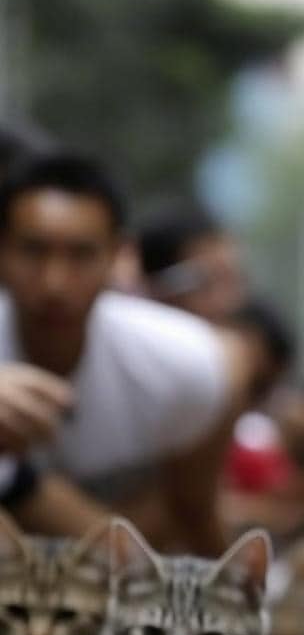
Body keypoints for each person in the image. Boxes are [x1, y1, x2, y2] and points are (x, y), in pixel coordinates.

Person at [0, 152, 251, 553]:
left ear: (119, 255)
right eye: (33, 250)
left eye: (81, 254)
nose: (54, 283)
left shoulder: (184, 367)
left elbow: (192, 510)